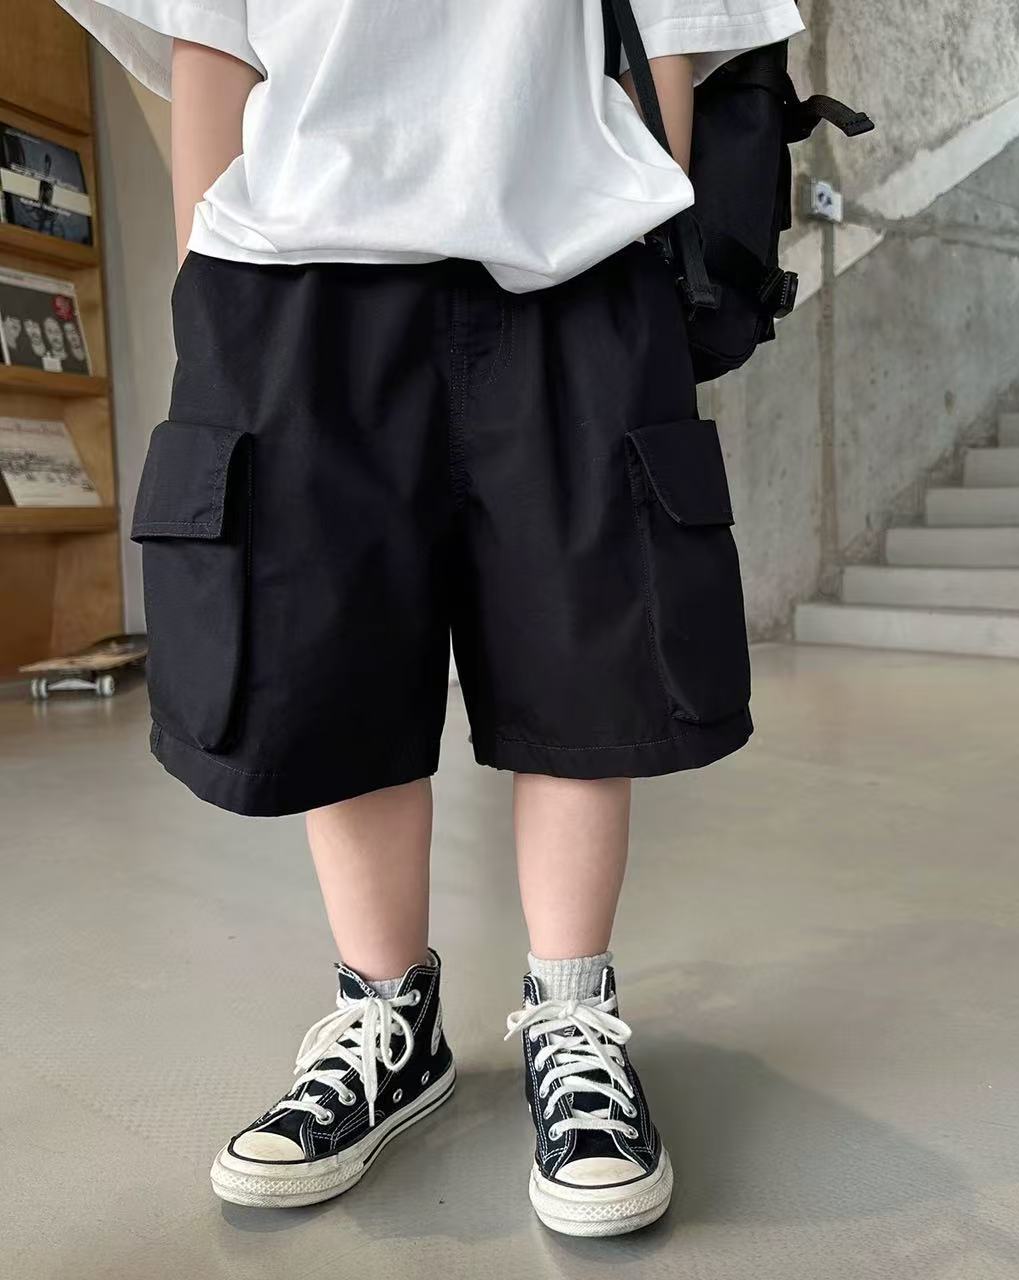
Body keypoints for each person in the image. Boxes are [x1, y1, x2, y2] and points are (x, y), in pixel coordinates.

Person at [57, 0, 801, 1237]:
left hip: (573, 253)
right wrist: (206, 281)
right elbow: (211, 31)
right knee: (326, 652)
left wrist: (635, 227)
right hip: (296, 261)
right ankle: (387, 1017)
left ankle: (571, 1009)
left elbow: (670, 28)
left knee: (588, 649)